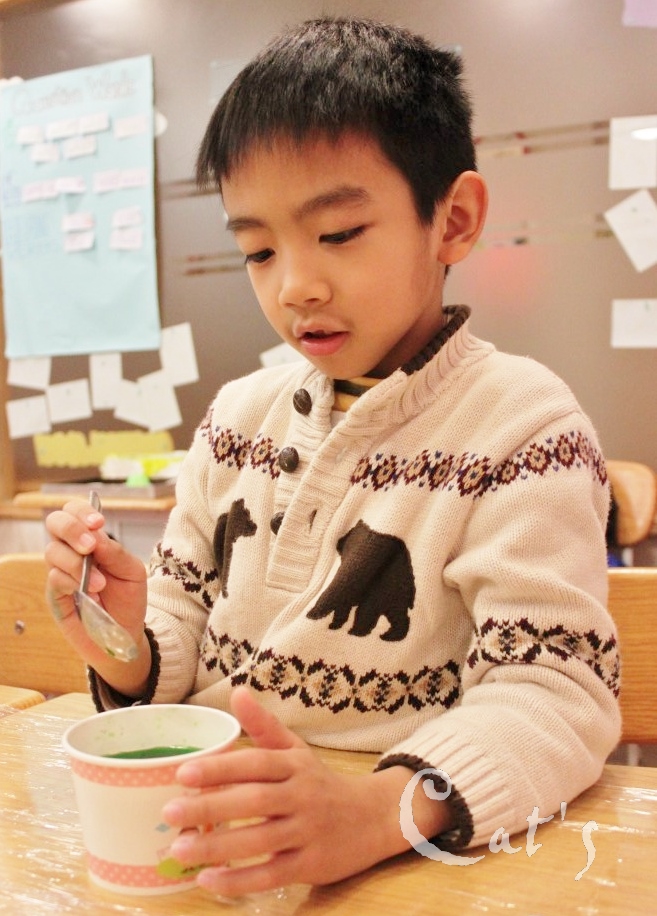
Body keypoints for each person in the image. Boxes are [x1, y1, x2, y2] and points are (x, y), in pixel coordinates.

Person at [45, 16, 621, 897]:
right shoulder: (237, 418)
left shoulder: (521, 429)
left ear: (453, 221)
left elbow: (555, 693)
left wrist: (379, 812)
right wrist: (123, 638)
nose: (294, 286)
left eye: (340, 233)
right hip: (217, 832)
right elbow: (177, 625)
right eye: (257, 249)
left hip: (408, 851)